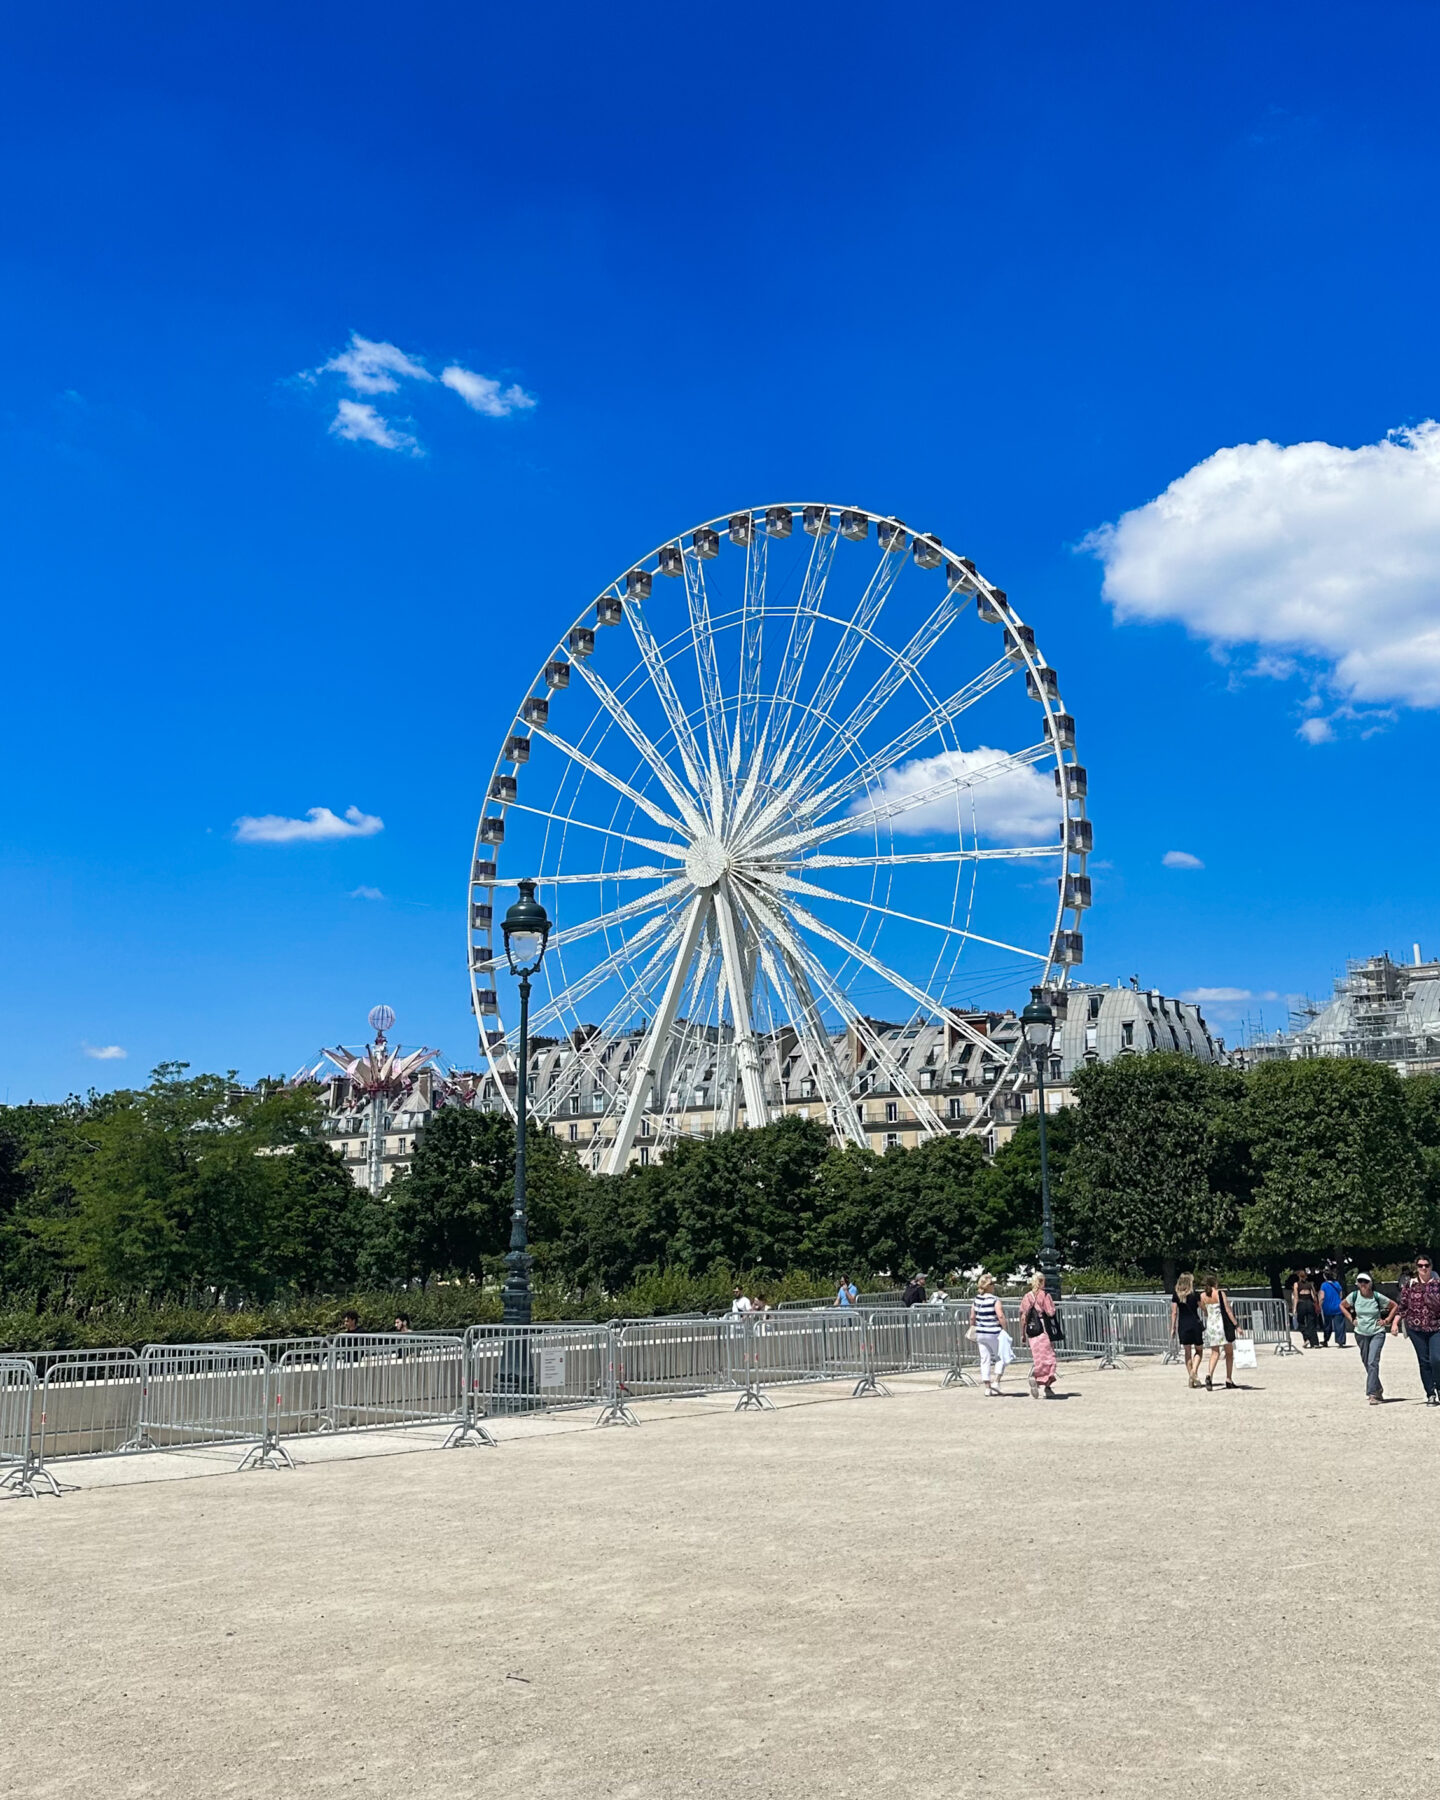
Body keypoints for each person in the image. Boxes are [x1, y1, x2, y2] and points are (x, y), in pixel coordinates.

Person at [1341, 1273, 1398, 1404]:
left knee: (1372, 1361)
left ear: (1370, 1283)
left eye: (1365, 1281)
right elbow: (1342, 1305)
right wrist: (1351, 1319)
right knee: (1367, 1362)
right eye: (1360, 1281)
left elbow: (1394, 1305)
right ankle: (1377, 1388)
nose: (1363, 1284)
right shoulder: (1354, 1296)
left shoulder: (1377, 1297)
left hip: (1377, 1332)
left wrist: (1387, 1320)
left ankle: (1372, 1393)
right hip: (1360, 1333)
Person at [1392, 1252, 1440, 1405]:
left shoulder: (1438, 1283)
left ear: (1431, 1267)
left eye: (1426, 1265)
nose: (1424, 1268)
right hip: (1416, 1328)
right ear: (1416, 1268)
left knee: (1436, 1359)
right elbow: (1403, 1306)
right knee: (1423, 1361)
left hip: (1436, 1327)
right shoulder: (1410, 1285)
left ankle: (1439, 1387)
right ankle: (1430, 1393)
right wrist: (1395, 1322)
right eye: (1420, 1266)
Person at [1019, 1271, 1059, 1398]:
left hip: (1032, 1330)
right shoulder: (1045, 1295)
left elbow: (1023, 1316)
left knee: (1038, 1358)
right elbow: (1050, 1312)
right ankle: (1041, 1382)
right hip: (1043, 1328)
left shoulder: (1027, 1297)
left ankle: (1044, 1385)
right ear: (1042, 1282)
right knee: (1049, 1357)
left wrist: (1023, 1333)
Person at [969, 1273, 1009, 1395]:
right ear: (988, 1286)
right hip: (993, 1332)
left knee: (984, 1359)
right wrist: (1005, 1329)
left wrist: (972, 1326)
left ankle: (987, 1387)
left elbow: (972, 1317)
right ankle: (996, 1381)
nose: (994, 1286)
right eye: (992, 1283)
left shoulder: (976, 1299)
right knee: (1000, 1356)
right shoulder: (994, 1299)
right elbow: (1000, 1315)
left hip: (981, 1333)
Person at [1199, 1275, 1238, 1390]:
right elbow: (1227, 1310)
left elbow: (1204, 1310)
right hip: (1222, 1325)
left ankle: (1209, 1374)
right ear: (1215, 1283)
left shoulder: (1202, 1296)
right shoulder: (1220, 1294)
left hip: (1211, 1325)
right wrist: (1236, 1324)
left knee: (1214, 1353)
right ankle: (1228, 1378)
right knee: (1229, 1352)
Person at [1171, 1272, 1205, 1388]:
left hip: (1183, 1324)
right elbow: (1202, 1307)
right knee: (1199, 1350)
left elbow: (1174, 1312)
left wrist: (1173, 1327)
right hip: (1194, 1323)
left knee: (1187, 1352)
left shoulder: (1176, 1294)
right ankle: (1193, 1372)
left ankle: (1191, 1376)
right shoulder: (1195, 1294)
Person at [1320, 1268, 1346, 1347]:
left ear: (1325, 1277)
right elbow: (1341, 1295)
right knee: (1339, 1325)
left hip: (1327, 1307)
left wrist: (1320, 1305)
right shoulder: (1337, 1284)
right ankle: (1340, 1341)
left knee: (1327, 1325)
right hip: (1337, 1307)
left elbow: (1322, 1297)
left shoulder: (1324, 1285)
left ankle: (1326, 1340)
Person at [1294, 1275, 1321, 1349]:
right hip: (1310, 1304)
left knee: (1300, 1323)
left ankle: (1307, 1337)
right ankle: (1315, 1342)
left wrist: (1294, 1308)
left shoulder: (1296, 1284)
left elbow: (1296, 1297)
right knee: (1311, 1323)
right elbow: (1314, 1296)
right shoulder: (1310, 1284)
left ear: (1299, 1277)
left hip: (1301, 1303)